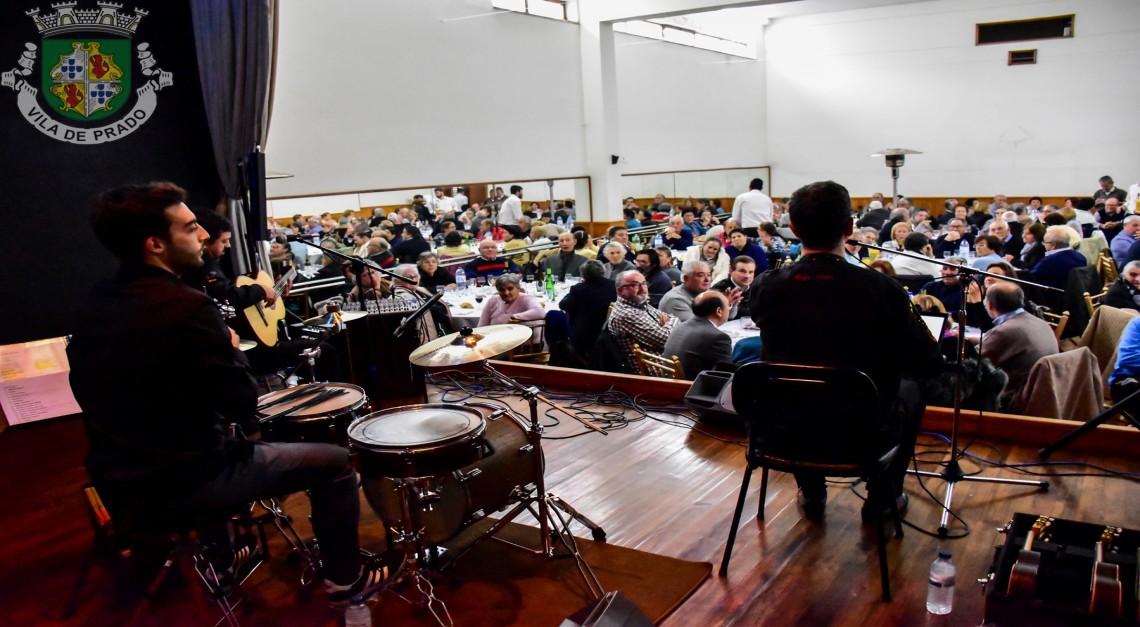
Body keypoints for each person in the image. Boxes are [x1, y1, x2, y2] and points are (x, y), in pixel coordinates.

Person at [67, 182, 401, 607]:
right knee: (333, 463)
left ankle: (222, 560)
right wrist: (227, 348)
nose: (204, 236)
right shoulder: (187, 307)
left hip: (118, 479)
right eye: (190, 228)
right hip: (188, 481)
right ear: (155, 244)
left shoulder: (95, 302)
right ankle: (346, 580)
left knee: (200, 435)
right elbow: (243, 404)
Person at [749, 180, 943, 523]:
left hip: (782, 430)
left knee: (799, 389)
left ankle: (811, 491)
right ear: (850, 228)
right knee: (913, 388)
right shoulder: (882, 289)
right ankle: (883, 497)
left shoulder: (767, 285)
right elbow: (927, 360)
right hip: (860, 431)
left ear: (793, 228)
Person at [979, 282, 1059, 409]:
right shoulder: (1039, 322)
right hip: (1043, 395)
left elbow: (975, 362)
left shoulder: (1003, 332)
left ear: (989, 304)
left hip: (1010, 400)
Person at [609, 270, 678, 371]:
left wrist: (667, 325)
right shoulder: (626, 314)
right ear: (620, 291)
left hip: (665, 359)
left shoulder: (639, 303)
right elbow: (668, 340)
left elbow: (673, 318)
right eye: (634, 285)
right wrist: (667, 324)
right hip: (657, 370)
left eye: (644, 283)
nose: (642, 289)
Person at [662, 290, 733, 380]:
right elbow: (726, 375)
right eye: (729, 306)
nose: (729, 309)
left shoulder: (681, 325)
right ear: (719, 311)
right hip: (694, 389)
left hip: (670, 382)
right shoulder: (717, 337)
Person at [558, 259, 617, 361]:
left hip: (585, 335)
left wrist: (573, 290)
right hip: (610, 332)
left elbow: (563, 305)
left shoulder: (578, 289)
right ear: (603, 272)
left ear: (583, 275)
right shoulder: (614, 285)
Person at [1023, 225, 1087, 292]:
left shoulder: (1049, 261)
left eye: (1044, 242)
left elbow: (1030, 278)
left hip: (1052, 295)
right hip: (1075, 294)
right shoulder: (1080, 256)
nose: (1043, 245)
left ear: (1053, 245)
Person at [478, 274, 544, 326]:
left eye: (510, 289)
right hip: (495, 340)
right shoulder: (492, 301)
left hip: (523, 341)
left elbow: (540, 312)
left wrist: (514, 317)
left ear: (518, 288)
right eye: (501, 290)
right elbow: (481, 326)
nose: (506, 293)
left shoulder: (526, 298)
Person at [712, 255, 757, 320]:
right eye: (742, 271)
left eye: (751, 272)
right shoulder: (719, 289)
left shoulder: (757, 286)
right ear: (731, 270)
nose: (747, 276)